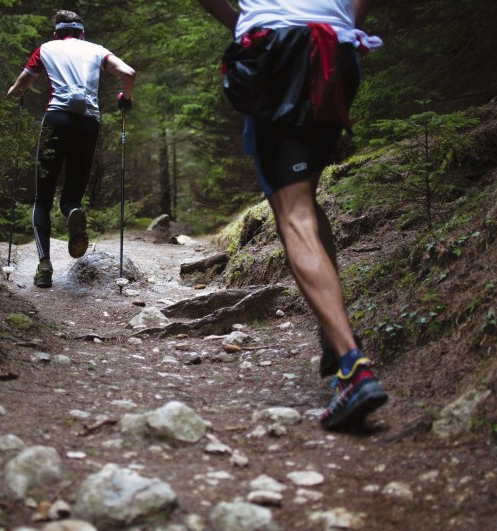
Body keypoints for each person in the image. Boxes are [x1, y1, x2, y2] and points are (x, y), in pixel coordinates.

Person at [196, 0, 387, 430]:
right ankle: (334, 337)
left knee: (294, 212)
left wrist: (241, 21)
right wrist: (346, 30)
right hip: (337, 50)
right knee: (307, 197)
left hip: (274, 48)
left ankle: (353, 366)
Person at [7, 10, 136, 288]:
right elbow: (128, 73)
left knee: (42, 198)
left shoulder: (46, 49)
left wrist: (16, 94)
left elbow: (19, 87)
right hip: (88, 123)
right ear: (82, 33)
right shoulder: (96, 50)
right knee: (71, 197)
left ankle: (44, 267)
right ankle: (73, 211)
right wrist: (126, 98)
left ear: (56, 33)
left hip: (56, 120)